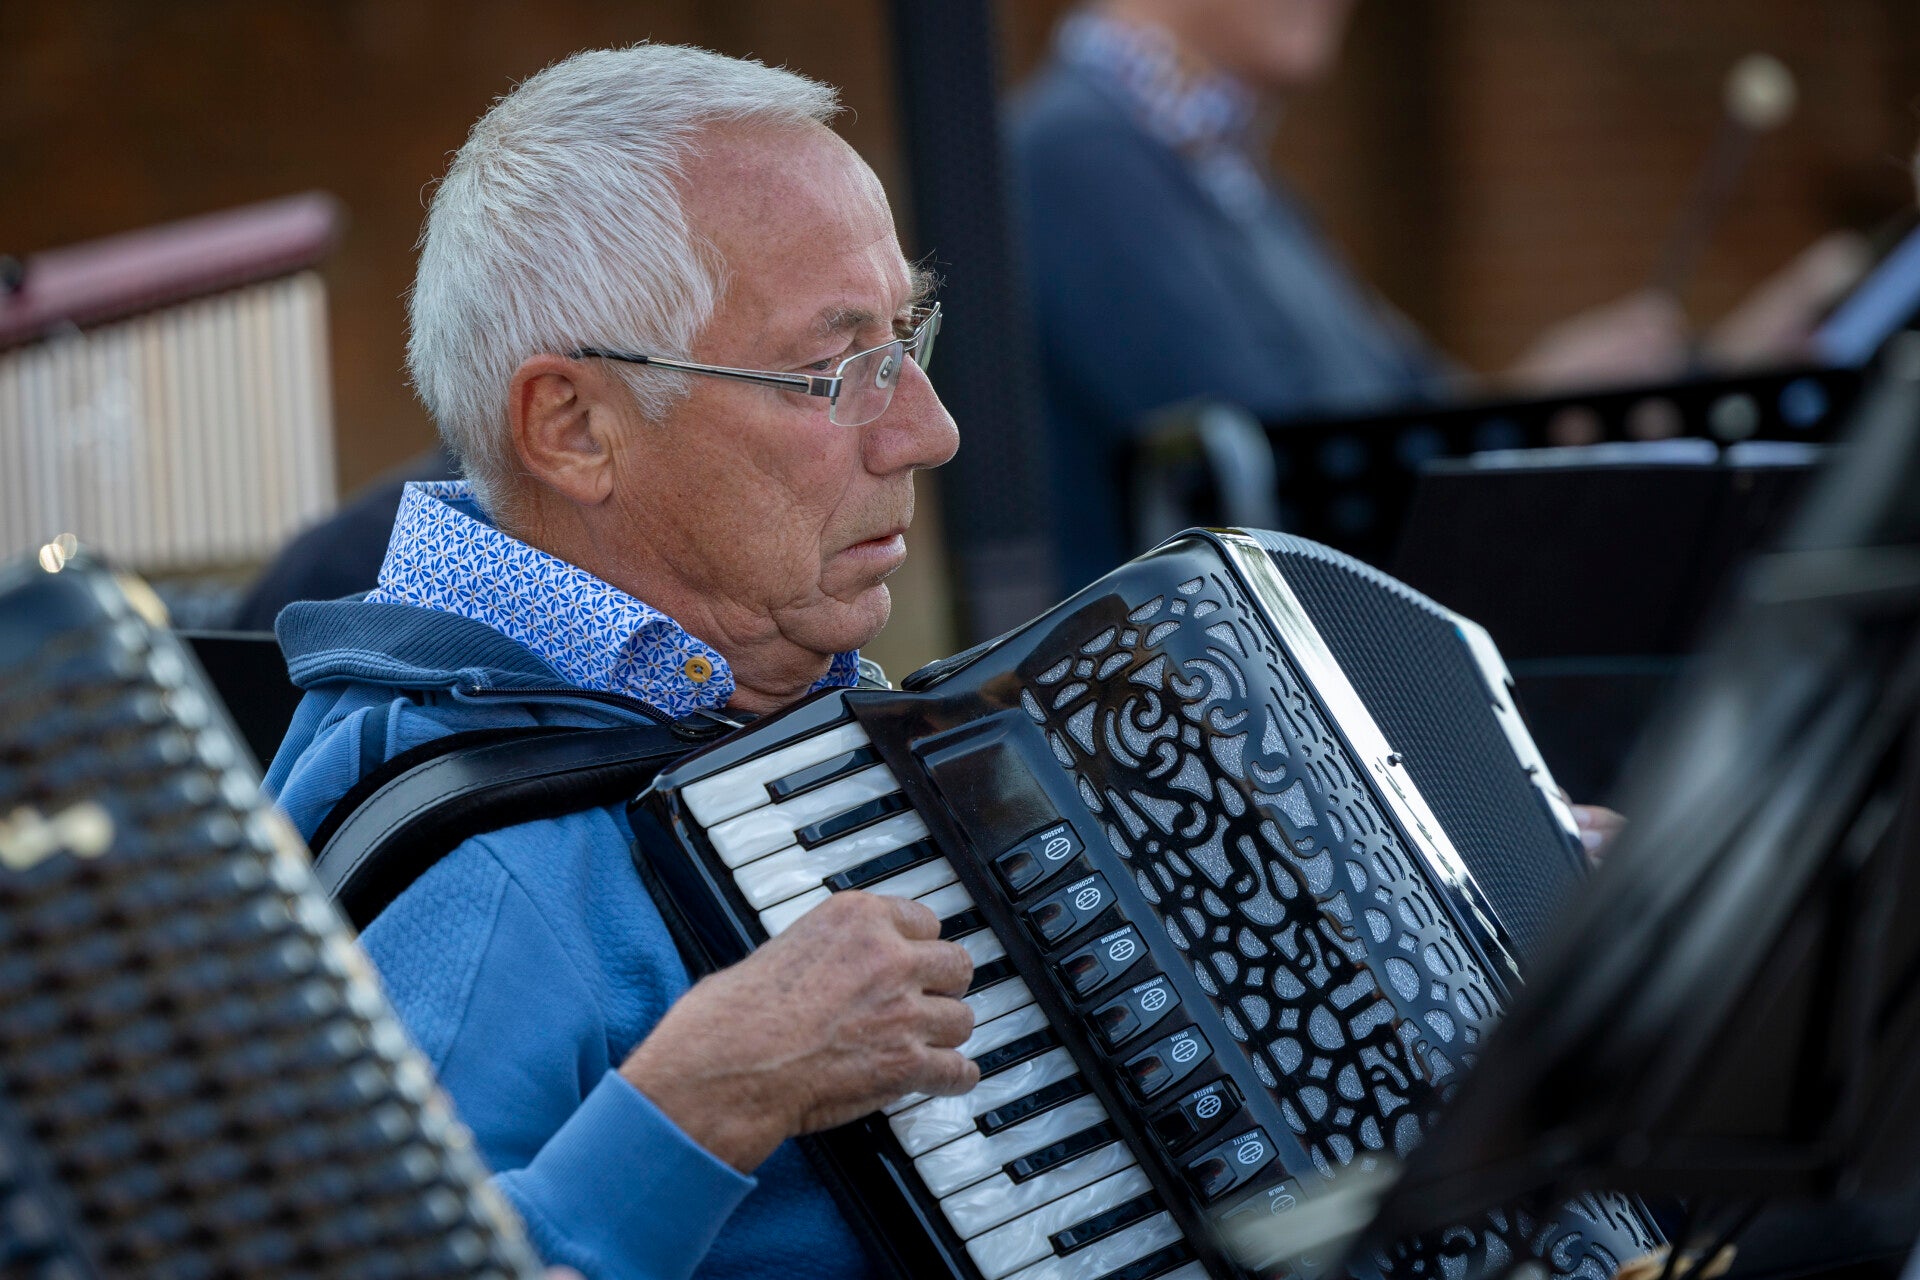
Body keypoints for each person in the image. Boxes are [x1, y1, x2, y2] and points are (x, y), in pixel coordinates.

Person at [265, 46, 971, 1280]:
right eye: (835, 369)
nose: (927, 427)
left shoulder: (782, 692)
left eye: (906, 335)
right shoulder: (488, 872)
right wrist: (701, 1104)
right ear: (575, 427)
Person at [1008, 0, 1866, 588]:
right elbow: (1295, 483)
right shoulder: (1081, 159)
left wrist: (1696, 372)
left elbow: (1404, 416)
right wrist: (1540, 413)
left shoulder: (1228, 183)